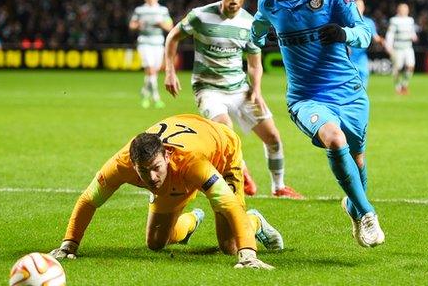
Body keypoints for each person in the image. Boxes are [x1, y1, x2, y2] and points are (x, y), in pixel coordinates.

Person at [250, 0, 385, 247]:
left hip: (348, 93)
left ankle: (353, 206)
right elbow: (257, 27)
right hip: (305, 97)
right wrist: (254, 41)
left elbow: (365, 32)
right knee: (334, 139)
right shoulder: (270, 0)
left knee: (358, 160)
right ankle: (367, 214)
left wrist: (343, 33)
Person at [50, 114, 283, 269]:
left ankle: (255, 221)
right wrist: (69, 244)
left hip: (223, 149)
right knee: (155, 243)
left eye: (155, 169)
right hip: (180, 165)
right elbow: (89, 200)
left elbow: (229, 204)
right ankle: (191, 221)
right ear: (133, 165)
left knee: (230, 246)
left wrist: (249, 254)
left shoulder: (193, 164)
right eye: (143, 171)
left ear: (167, 156)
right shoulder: (121, 164)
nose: (151, 178)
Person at [163, 0, 304, 200]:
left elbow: (255, 64)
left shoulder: (250, 24)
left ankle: (279, 187)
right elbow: (173, 37)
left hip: (240, 89)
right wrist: (170, 71)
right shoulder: (200, 16)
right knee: (226, 130)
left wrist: (256, 90)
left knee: (273, 138)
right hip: (208, 89)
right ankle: (242, 172)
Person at [129, 0, 173, 108]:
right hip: (144, 42)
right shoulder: (140, 10)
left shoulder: (163, 10)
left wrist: (161, 24)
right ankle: (156, 97)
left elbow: (170, 26)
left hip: (158, 43)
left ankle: (144, 92)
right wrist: (138, 25)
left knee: (154, 71)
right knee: (151, 70)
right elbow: (132, 25)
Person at [385, 3, 418, 95]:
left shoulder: (410, 20)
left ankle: (404, 84)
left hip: (408, 47)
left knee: (411, 66)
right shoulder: (394, 20)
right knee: (397, 68)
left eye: (406, 9)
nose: (405, 11)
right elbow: (390, 34)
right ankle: (398, 87)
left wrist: (414, 36)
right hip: (397, 48)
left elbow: (412, 32)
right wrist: (389, 47)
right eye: (403, 9)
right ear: (398, 10)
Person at [350, 0, 384, 88]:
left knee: (364, 75)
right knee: (350, 81)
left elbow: (375, 37)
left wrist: (383, 41)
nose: (358, 8)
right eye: (356, 5)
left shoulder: (369, 22)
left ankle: (361, 98)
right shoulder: (346, 20)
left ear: (364, 8)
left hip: (361, 56)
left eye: (360, 6)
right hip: (349, 56)